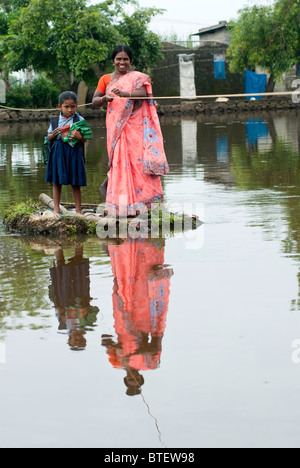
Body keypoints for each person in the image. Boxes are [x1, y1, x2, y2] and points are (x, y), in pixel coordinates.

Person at [92, 45, 169, 217]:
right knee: (120, 163)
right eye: (118, 58)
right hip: (116, 130)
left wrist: (125, 93)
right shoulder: (105, 79)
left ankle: (145, 205)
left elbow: (143, 93)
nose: (122, 62)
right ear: (113, 61)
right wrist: (104, 98)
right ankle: (122, 205)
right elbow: (94, 101)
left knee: (138, 163)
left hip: (135, 129)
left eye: (125, 59)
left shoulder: (136, 78)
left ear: (130, 61)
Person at [46, 91, 87, 215]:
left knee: (76, 182)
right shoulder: (55, 121)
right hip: (58, 153)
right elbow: (48, 137)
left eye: (73, 106)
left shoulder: (79, 119)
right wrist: (52, 135)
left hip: (74, 153)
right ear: (60, 107)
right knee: (56, 181)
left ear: (76, 106)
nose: (70, 110)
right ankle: (56, 209)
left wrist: (79, 136)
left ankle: (78, 210)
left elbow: (85, 139)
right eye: (66, 107)